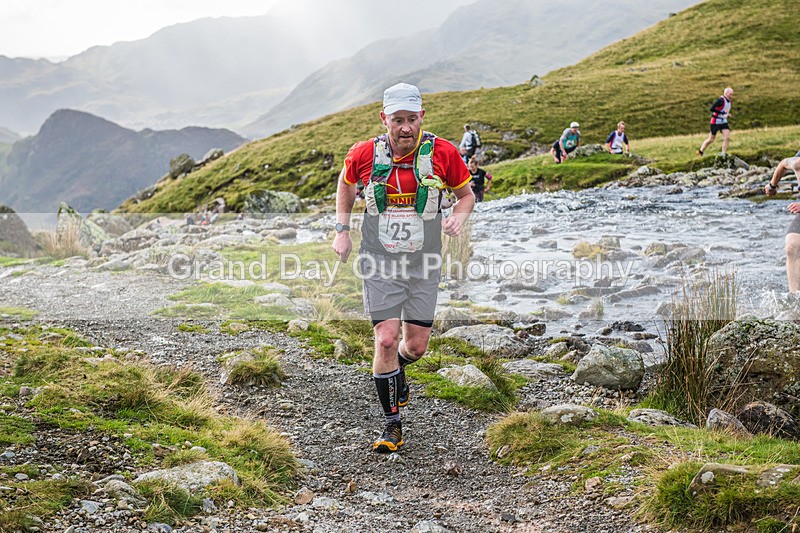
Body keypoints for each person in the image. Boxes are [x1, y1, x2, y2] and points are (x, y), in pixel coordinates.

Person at [332, 82, 474, 453]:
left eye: (412, 119)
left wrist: (459, 218)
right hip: (379, 259)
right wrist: (342, 231)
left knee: (416, 345)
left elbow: (466, 195)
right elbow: (346, 185)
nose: (406, 127)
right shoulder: (364, 154)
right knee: (386, 338)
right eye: (398, 120)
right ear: (385, 119)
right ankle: (392, 424)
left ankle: (399, 370)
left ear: (422, 118)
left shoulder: (443, 153)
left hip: (424, 261)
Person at [764, 152, 800, 293]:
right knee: (792, 246)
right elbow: (784, 163)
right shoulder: (797, 161)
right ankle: (795, 297)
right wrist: (772, 185)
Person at [697, 87, 734, 156]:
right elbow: (712, 108)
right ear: (725, 93)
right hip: (715, 121)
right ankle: (700, 151)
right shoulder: (720, 100)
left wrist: (727, 114)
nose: (731, 96)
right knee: (711, 139)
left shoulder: (729, 101)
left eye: (732, 94)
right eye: (730, 94)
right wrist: (722, 112)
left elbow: (725, 110)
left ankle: (723, 153)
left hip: (723, 122)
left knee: (727, 137)